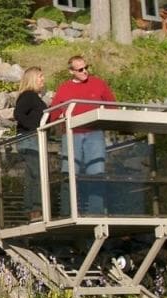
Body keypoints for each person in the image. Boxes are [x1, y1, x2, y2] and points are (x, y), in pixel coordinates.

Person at [48, 55, 116, 217]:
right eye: (80, 69)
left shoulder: (98, 83)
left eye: (86, 67)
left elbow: (112, 105)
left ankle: (96, 213)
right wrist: (60, 122)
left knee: (97, 173)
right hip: (72, 135)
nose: (85, 71)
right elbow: (54, 113)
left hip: (94, 134)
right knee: (69, 174)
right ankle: (68, 212)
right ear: (71, 71)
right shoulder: (64, 88)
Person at [13, 67, 47, 222]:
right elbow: (18, 114)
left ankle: (32, 209)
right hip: (30, 139)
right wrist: (34, 129)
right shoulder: (29, 96)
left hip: (32, 139)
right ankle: (35, 209)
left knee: (32, 175)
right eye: (40, 76)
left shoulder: (34, 98)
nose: (43, 79)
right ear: (33, 78)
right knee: (36, 174)